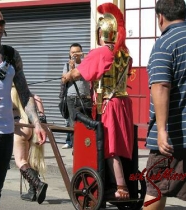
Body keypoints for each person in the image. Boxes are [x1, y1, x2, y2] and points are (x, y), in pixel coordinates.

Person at [0, 8, 47, 210]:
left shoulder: (11, 55)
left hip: (6, 129)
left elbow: (25, 93)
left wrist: (37, 124)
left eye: (1, 22)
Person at [62, 3, 134, 200]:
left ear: (101, 33)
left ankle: (120, 187)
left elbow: (79, 73)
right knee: (119, 146)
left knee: (109, 147)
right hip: (123, 104)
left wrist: (67, 76)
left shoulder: (101, 52)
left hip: (108, 104)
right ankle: (120, 182)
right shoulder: (124, 53)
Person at [143, 0, 186, 209]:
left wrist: (161, 130)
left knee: (155, 189)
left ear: (160, 17)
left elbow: (160, 86)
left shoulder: (166, 43)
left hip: (174, 141)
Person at [12, 86, 48, 204]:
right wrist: (42, 117)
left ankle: (38, 184)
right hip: (31, 126)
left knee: (21, 161)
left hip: (19, 127)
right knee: (32, 159)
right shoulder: (25, 93)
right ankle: (32, 192)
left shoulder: (10, 92)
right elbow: (37, 98)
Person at [61, 43, 91, 149]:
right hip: (71, 99)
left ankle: (86, 147)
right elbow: (63, 80)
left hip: (85, 99)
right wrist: (71, 69)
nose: (74, 55)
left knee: (86, 124)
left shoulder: (86, 64)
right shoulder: (67, 65)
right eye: (72, 52)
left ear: (81, 53)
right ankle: (76, 149)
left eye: (77, 52)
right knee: (73, 125)